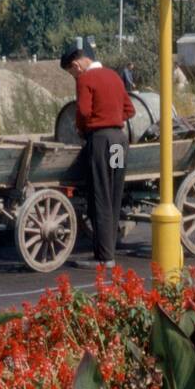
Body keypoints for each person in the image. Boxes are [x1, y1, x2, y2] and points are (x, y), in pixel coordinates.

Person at [61, 44, 135, 268]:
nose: (74, 76)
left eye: (72, 72)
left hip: (101, 140)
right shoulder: (114, 76)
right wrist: (113, 115)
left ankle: (104, 257)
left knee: (100, 196)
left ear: (76, 65)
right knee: (114, 195)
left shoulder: (85, 79)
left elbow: (83, 112)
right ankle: (108, 250)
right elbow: (130, 110)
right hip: (120, 142)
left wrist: (83, 129)